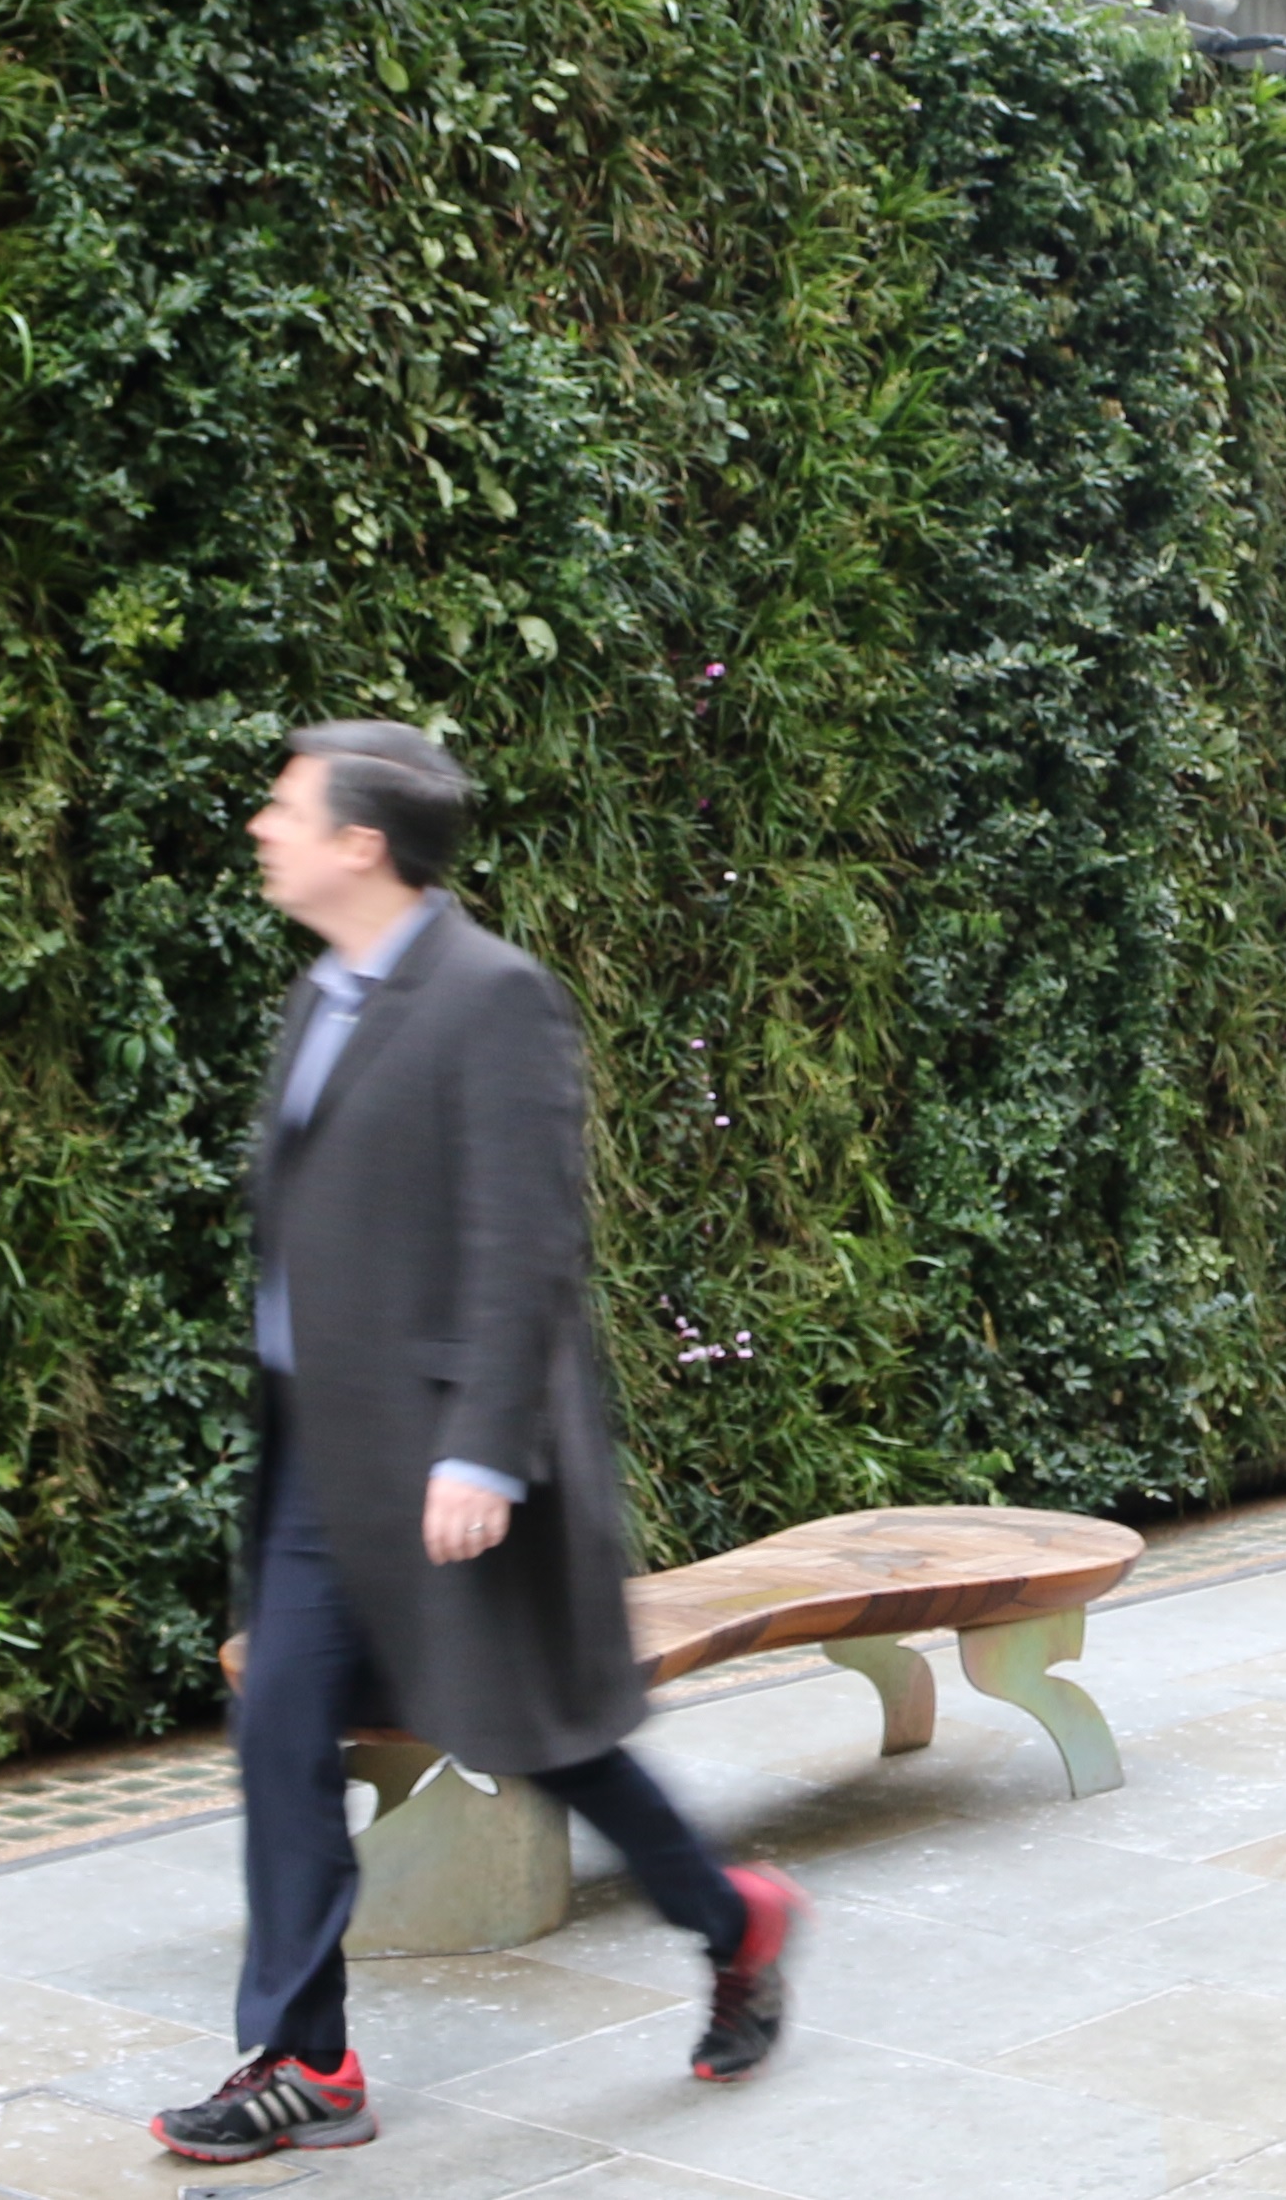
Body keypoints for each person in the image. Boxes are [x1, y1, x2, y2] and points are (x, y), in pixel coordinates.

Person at [153, 721, 804, 2166]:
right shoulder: (322, 993)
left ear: (360, 844)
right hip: (325, 1460)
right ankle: (306, 2060)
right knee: (279, 1737)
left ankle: (732, 1917)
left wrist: (484, 1451)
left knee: (538, 1739)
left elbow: (528, 1241)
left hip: (449, 1462)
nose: (262, 825)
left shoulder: (493, 997)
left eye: (284, 806)